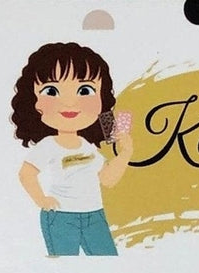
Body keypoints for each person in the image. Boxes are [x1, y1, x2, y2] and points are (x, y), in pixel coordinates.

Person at [10, 42, 134, 256]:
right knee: (63, 266)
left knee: (107, 259)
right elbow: (26, 174)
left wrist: (125, 154)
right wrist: (42, 200)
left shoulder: (87, 145)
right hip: (61, 217)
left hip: (95, 215)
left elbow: (107, 179)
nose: (69, 103)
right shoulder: (49, 145)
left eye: (85, 90)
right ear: (34, 102)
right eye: (51, 91)